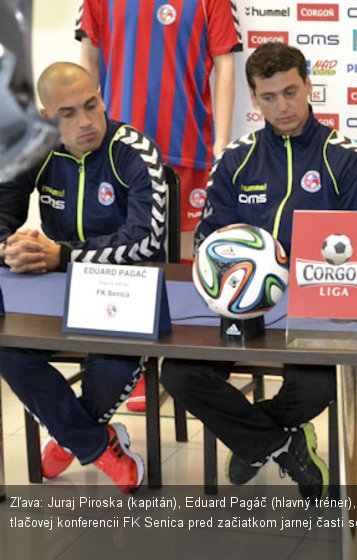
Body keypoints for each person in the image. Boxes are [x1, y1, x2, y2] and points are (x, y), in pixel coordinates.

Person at [159, 43, 357, 499]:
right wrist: (232, 277)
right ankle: (281, 443)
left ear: (308, 87)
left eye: (291, 92)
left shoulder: (345, 158)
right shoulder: (236, 159)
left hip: (313, 309)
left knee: (321, 382)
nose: (282, 107)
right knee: (177, 374)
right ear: (254, 99)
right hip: (237, 308)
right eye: (269, 97)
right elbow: (207, 241)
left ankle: (253, 438)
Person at [0, 62, 167, 493]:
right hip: (58, 290)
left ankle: (70, 438)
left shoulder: (136, 151)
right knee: (10, 352)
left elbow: (147, 239)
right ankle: (94, 443)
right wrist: (9, 248)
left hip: (125, 290)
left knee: (111, 363)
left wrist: (63, 255)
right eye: (67, 113)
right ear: (45, 116)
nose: (86, 121)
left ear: (102, 95)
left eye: (91, 105)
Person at [76, 0, 242, 411]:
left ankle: (190, 365)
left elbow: (225, 64)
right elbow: (88, 60)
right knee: (125, 253)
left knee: (188, 256)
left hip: (186, 145)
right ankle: (132, 366)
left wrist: (221, 141)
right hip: (118, 150)